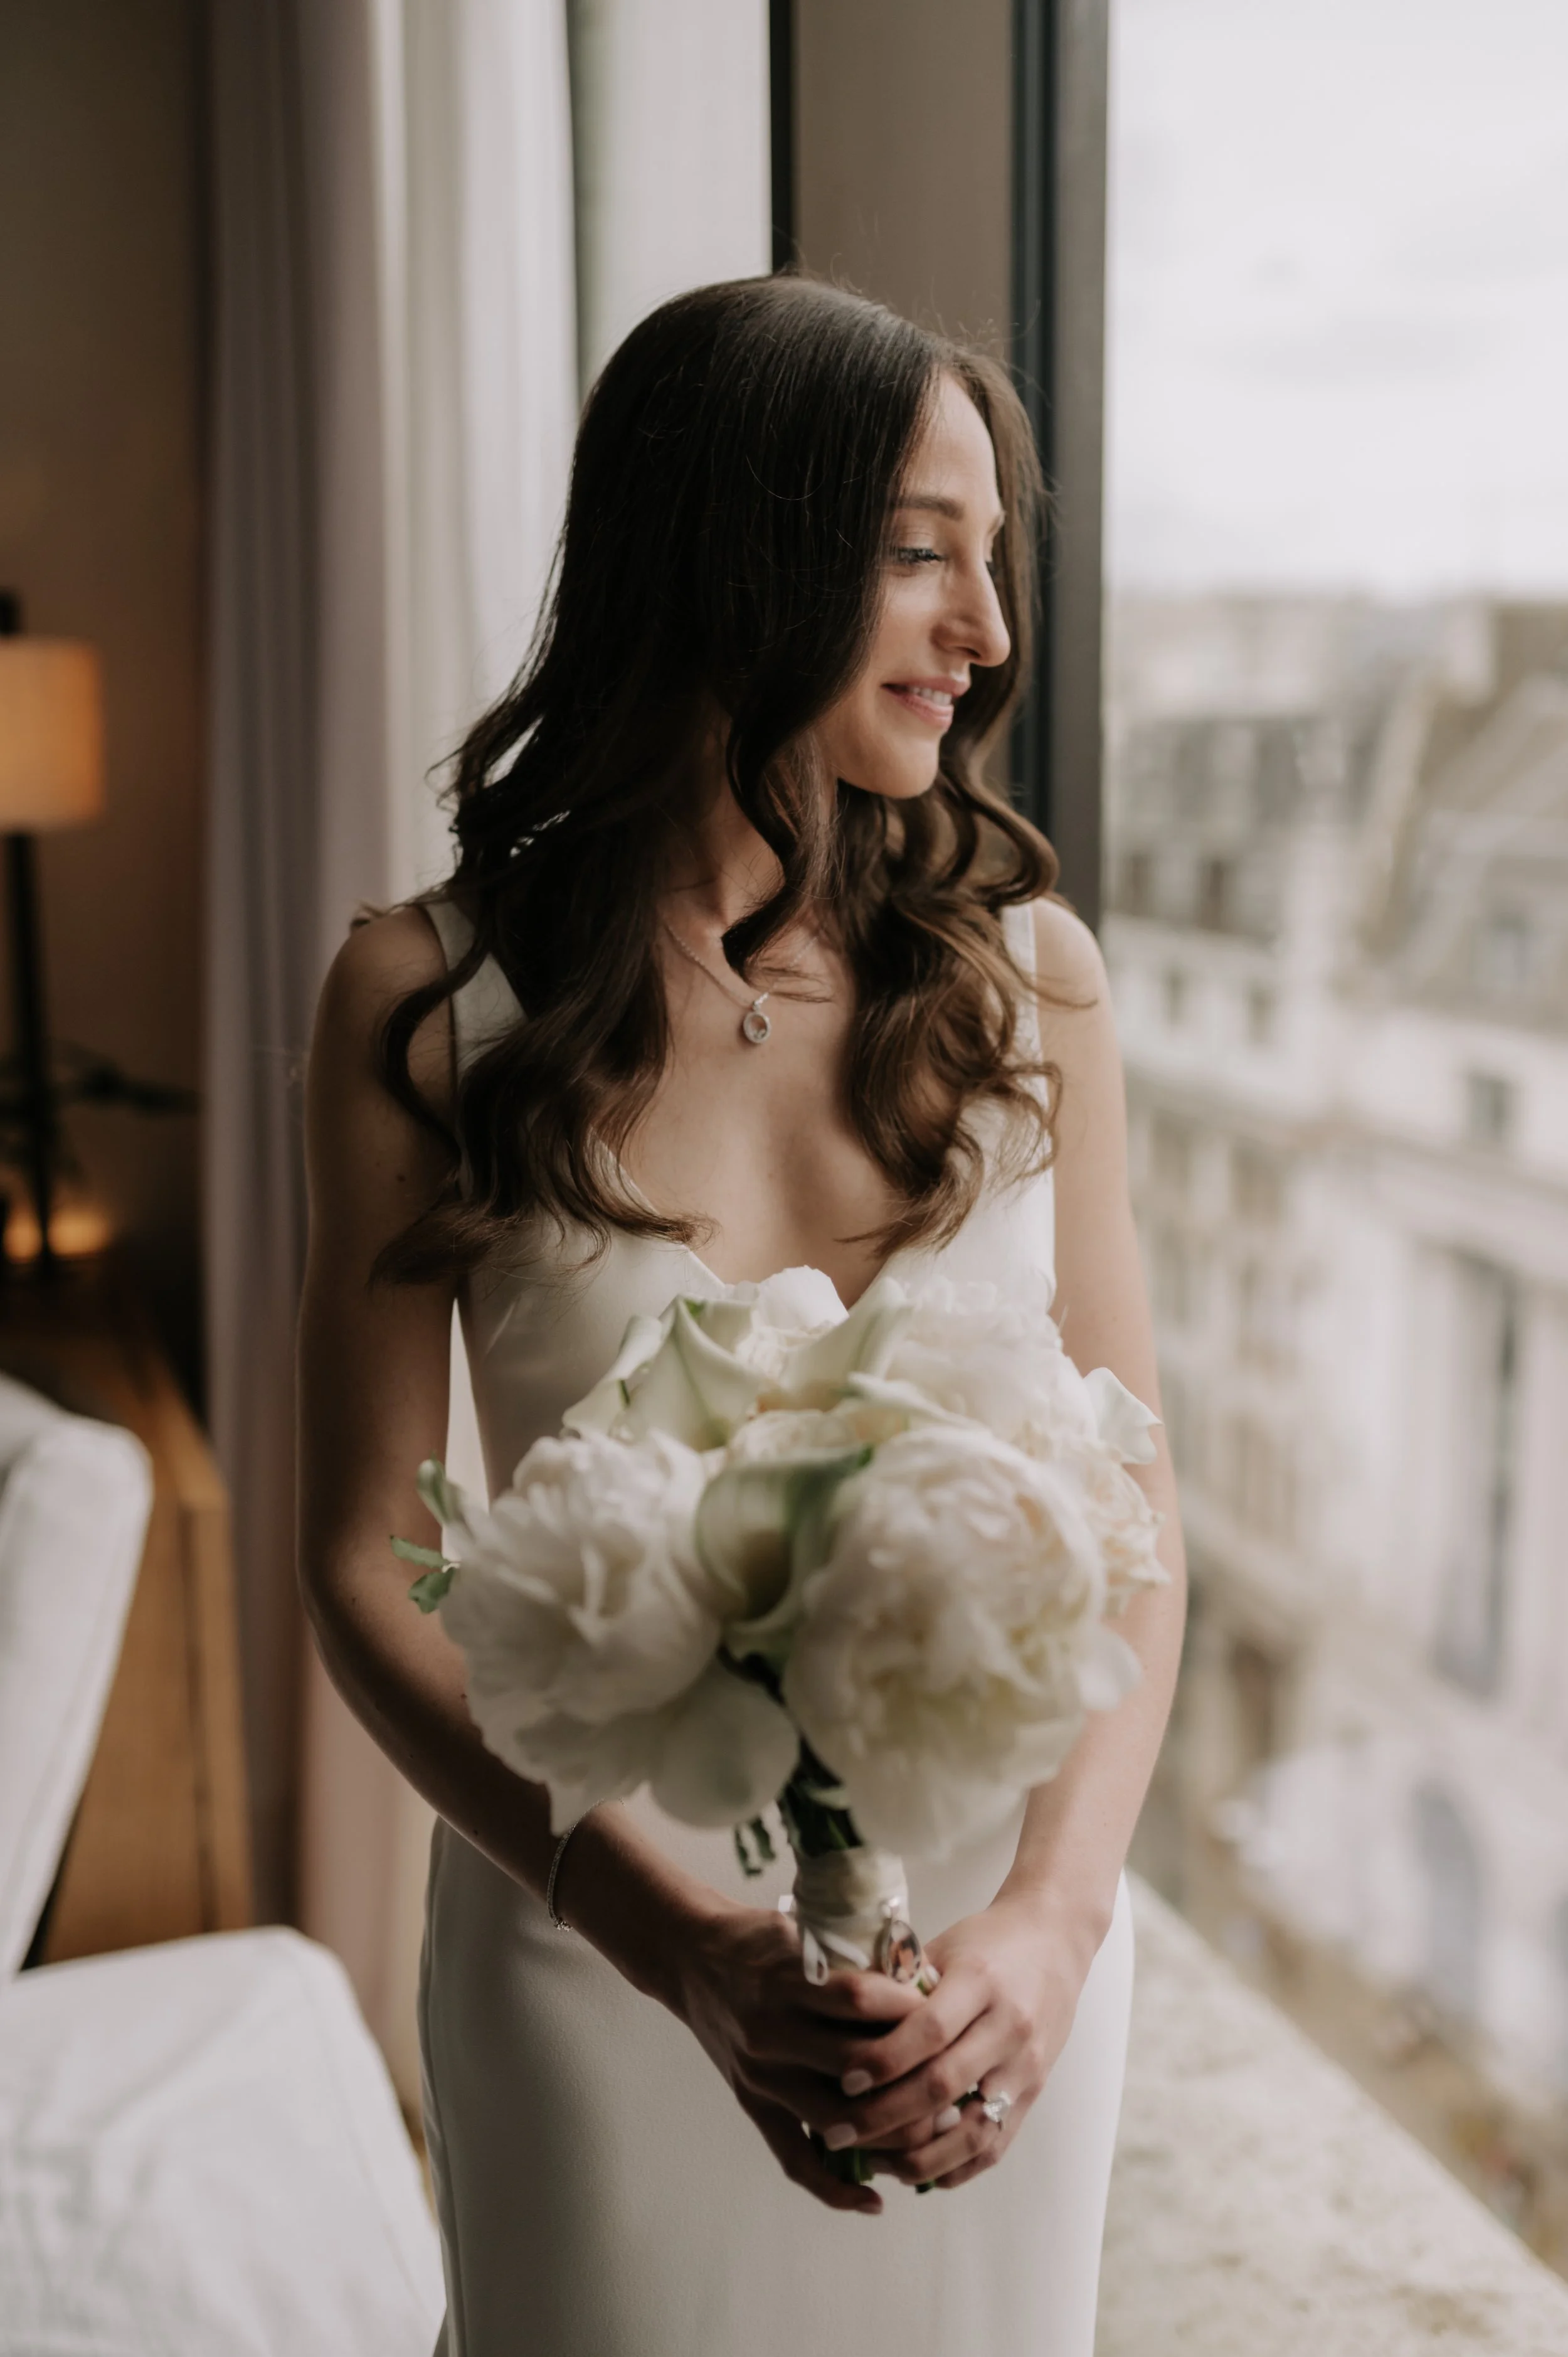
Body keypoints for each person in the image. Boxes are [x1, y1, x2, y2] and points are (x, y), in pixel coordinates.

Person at [299, 274, 1187, 2357]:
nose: (987, 633)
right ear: (727, 550)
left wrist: (1052, 1920)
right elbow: (364, 1552)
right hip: (598, 1956)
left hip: (994, 1976)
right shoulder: (421, 1005)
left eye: (992, 562)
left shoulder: (1030, 979)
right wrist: (677, 1939)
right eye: (914, 554)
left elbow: (1135, 1494)